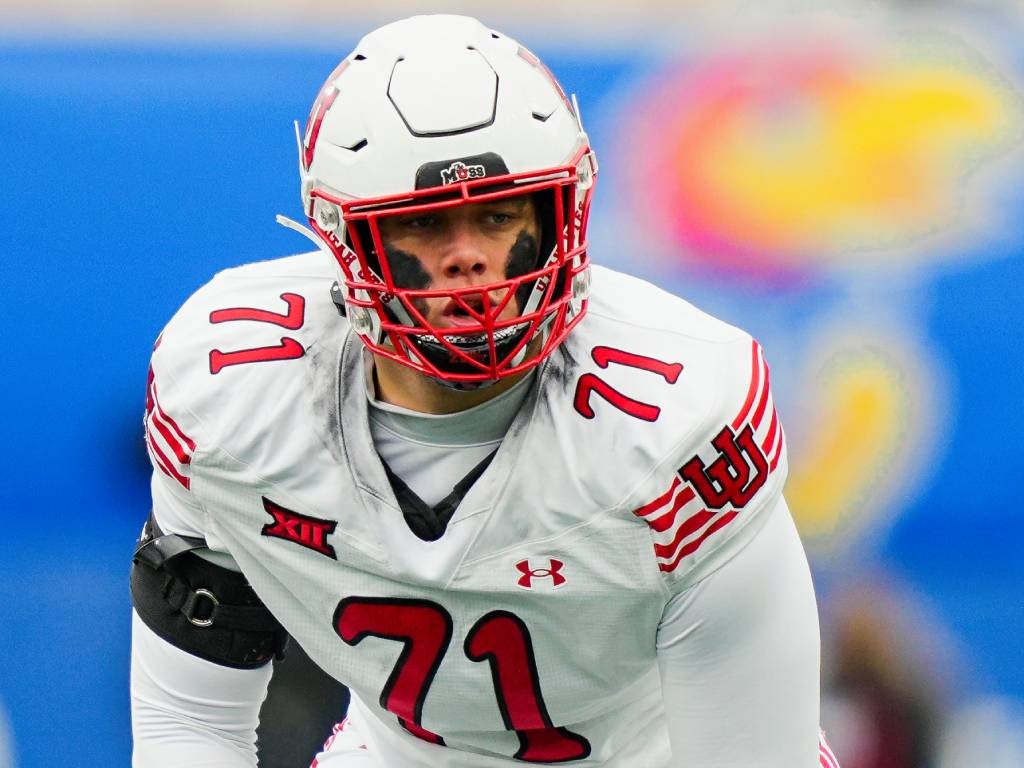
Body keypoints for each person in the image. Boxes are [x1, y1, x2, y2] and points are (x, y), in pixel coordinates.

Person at [130, 14, 840, 768]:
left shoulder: (682, 418)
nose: (470, 260)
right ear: (346, 238)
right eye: (429, 223)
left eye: (499, 216)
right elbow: (190, 728)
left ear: (561, 211)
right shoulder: (230, 386)